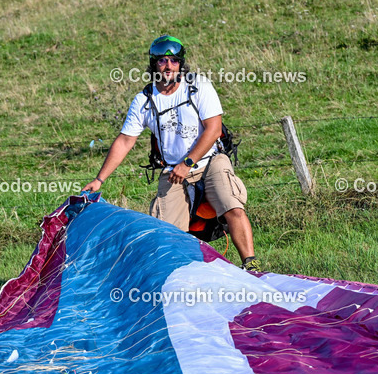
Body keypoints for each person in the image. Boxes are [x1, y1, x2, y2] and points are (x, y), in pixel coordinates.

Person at [83, 35, 261, 272]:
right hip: (173, 170)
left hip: (210, 161)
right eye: (162, 61)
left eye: (174, 61)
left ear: (181, 64)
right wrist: (99, 179)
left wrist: (188, 163)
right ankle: (180, 275)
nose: (168, 66)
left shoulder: (199, 86)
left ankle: (252, 265)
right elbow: (125, 141)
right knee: (166, 232)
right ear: (154, 64)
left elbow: (214, 129)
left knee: (233, 206)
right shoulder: (144, 100)